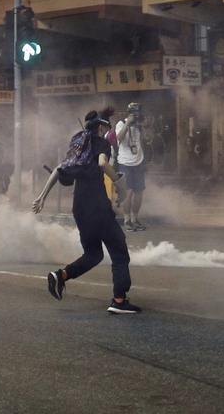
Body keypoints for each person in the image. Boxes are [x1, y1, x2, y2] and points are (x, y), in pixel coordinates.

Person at [35, 110, 139, 315]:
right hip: (98, 207)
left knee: (94, 254)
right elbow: (102, 163)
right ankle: (119, 301)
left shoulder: (78, 149)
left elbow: (58, 169)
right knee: (119, 252)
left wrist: (42, 196)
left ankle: (61, 276)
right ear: (100, 127)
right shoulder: (101, 143)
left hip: (80, 209)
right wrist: (120, 185)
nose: (107, 131)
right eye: (107, 127)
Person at [114, 102, 148, 232]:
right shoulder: (121, 124)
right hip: (125, 163)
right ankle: (127, 220)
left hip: (139, 162)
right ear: (129, 113)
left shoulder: (139, 126)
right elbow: (119, 138)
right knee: (128, 193)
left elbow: (147, 139)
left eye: (138, 113)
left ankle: (135, 219)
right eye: (135, 113)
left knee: (139, 192)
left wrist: (143, 126)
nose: (137, 115)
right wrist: (128, 123)